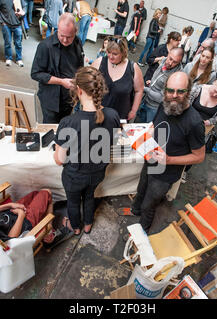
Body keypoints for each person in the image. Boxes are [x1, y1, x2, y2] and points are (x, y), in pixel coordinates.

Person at [130, 72, 206, 233]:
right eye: (170, 90)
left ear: (188, 92)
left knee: (148, 205)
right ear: (165, 90)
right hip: (150, 160)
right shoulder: (164, 105)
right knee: (141, 190)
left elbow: (199, 157)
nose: (174, 96)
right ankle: (134, 212)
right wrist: (140, 137)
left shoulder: (194, 123)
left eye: (180, 91)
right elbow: (154, 125)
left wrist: (169, 159)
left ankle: (141, 231)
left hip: (165, 174)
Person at [54, 67, 120, 235]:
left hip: (75, 175)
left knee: (73, 201)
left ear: (79, 90)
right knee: (90, 197)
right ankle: (88, 225)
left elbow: (60, 159)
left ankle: (75, 228)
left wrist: (57, 147)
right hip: (97, 173)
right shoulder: (113, 115)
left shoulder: (69, 122)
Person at [31, 13, 84, 123]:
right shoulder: (45, 46)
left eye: (69, 37)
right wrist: (61, 82)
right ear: (57, 29)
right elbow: (35, 73)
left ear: (76, 31)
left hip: (69, 98)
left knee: (64, 128)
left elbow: (79, 66)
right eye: (61, 35)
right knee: (51, 131)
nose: (65, 40)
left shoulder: (77, 42)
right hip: (51, 101)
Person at [92, 36, 144, 121]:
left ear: (123, 53)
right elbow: (87, 84)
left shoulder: (133, 68)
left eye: (115, 54)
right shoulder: (99, 62)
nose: (110, 56)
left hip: (119, 117)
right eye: (108, 52)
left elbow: (139, 90)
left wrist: (133, 111)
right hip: (97, 114)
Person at [188, 75, 217, 152]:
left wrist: (210, 121)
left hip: (202, 131)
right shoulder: (198, 89)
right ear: (214, 82)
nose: (215, 95)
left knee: (191, 153)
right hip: (185, 125)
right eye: (215, 91)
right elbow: (185, 103)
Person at [137, 48, 184, 122]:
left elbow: (160, 98)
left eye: (175, 62)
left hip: (154, 109)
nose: (170, 63)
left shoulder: (175, 77)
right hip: (145, 100)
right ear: (168, 54)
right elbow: (160, 76)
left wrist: (144, 88)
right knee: (136, 126)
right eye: (170, 58)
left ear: (179, 62)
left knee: (147, 131)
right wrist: (153, 82)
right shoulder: (164, 60)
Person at [0, 0, 26, 67]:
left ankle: (19, 59)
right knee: (7, 42)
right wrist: (2, 21)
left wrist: (23, 12)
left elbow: (24, 6)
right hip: (6, 24)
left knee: (18, 43)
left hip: (18, 23)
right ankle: (8, 58)